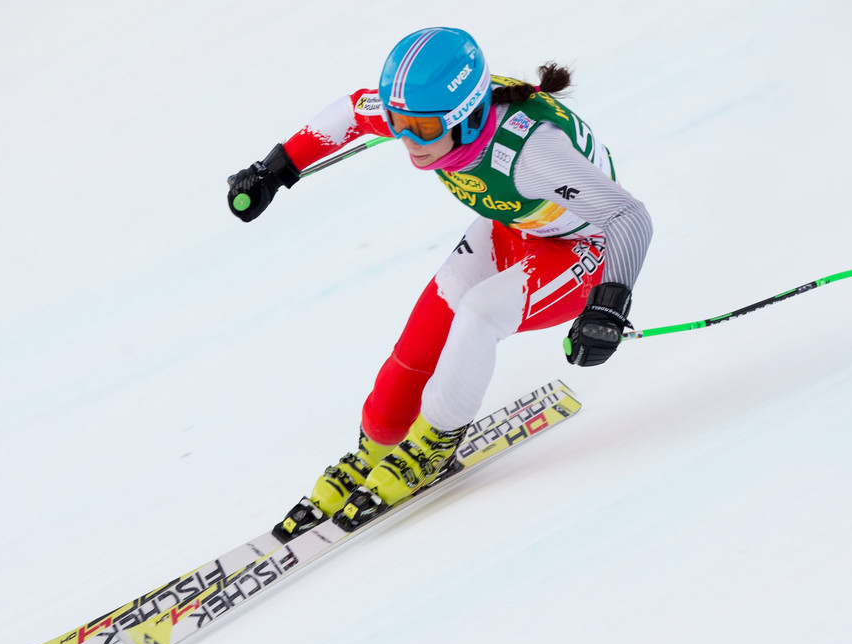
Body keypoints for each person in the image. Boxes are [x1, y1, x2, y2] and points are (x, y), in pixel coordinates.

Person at [227, 27, 652, 535]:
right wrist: (274, 169)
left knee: (479, 314)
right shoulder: (425, 112)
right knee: (421, 338)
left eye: (423, 130)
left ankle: (435, 445)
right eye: (397, 124)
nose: (409, 142)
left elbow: (629, 217)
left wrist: (608, 305)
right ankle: (379, 446)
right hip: (517, 227)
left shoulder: (532, 154)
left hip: (587, 252)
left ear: (468, 117)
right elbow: (347, 113)